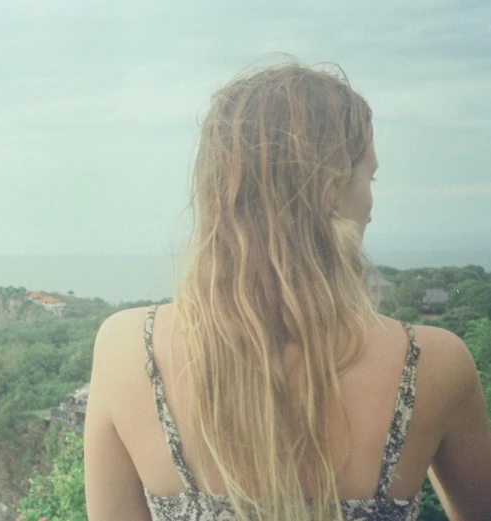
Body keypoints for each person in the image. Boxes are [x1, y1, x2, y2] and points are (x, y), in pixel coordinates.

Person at [83, 62, 491, 521]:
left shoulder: (126, 348)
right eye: (368, 179)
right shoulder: (432, 365)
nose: (372, 207)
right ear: (332, 190)